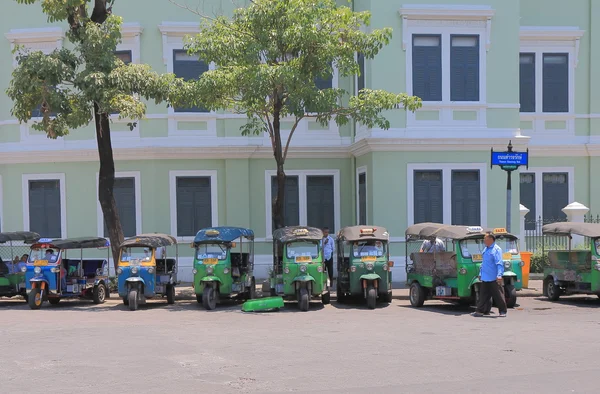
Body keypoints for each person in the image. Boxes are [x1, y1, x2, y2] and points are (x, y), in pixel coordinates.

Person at [474, 233, 507, 317]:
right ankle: (481, 310)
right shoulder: (485, 249)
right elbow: (483, 263)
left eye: (485, 238)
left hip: (494, 277)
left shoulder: (496, 249)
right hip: (485, 277)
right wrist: (480, 273)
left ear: (491, 239)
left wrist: (499, 275)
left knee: (498, 295)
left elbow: (499, 263)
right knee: (483, 295)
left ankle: (502, 311)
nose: (484, 240)